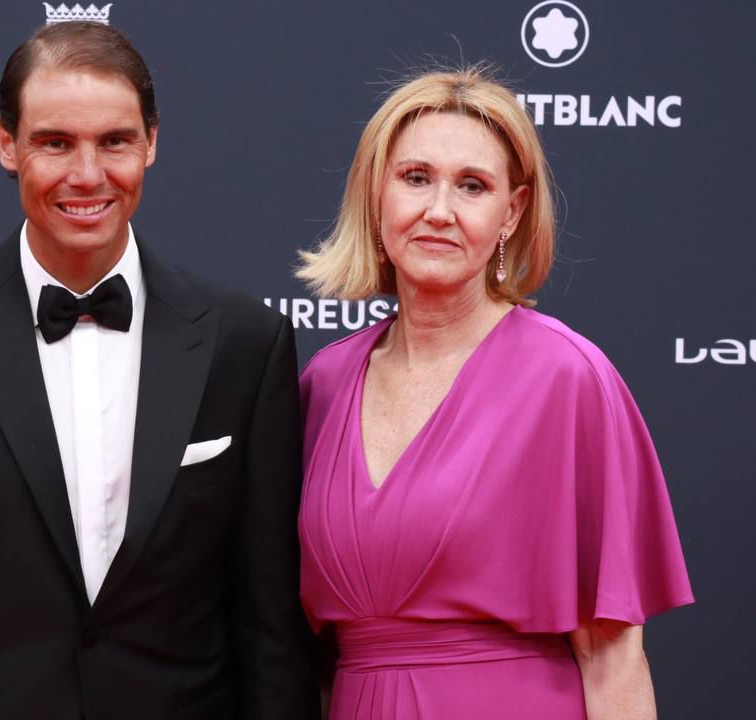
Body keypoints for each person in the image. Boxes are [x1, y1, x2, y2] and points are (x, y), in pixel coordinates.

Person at [0, 21, 318, 720]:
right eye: (55, 143)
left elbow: (270, 624)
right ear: (6, 142)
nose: (87, 175)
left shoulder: (244, 344)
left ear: (151, 142)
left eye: (114, 141)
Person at [295, 65, 694, 719]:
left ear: (512, 212)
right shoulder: (324, 384)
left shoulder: (565, 379)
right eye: (415, 177)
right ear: (375, 193)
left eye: (472, 186)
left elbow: (613, 661)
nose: (439, 210)